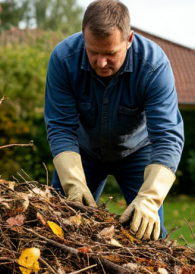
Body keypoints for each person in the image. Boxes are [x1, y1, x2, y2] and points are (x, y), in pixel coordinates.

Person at [45, 0, 184, 240]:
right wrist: (74, 183)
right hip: (82, 151)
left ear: (129, 40)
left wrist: (149, 199)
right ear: (83, 37)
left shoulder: (153, 65)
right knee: (60, 228)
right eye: (93, 52)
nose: (101, 62)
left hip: (136, 151)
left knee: (148, 234)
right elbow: (60, 127)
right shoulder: (63, 59)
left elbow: (167, 137)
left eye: (110, 53)